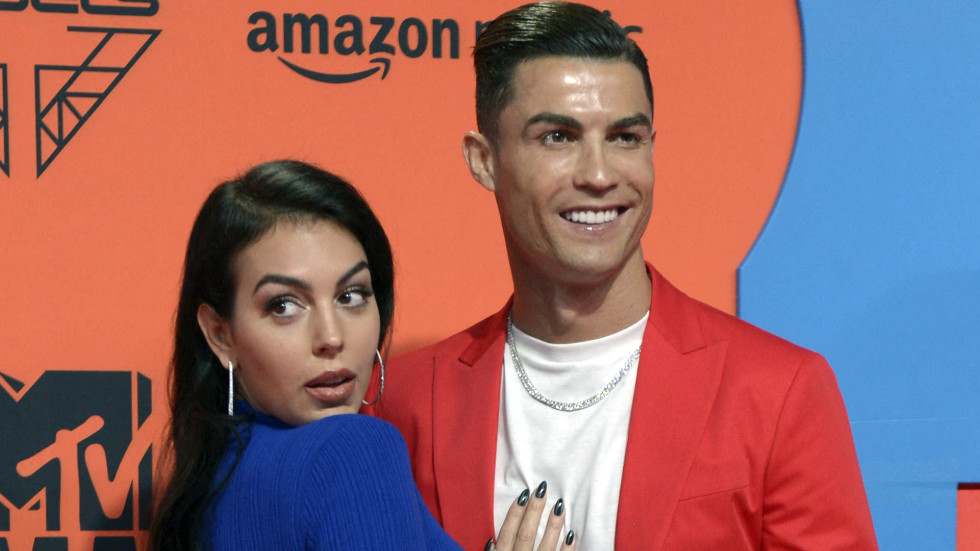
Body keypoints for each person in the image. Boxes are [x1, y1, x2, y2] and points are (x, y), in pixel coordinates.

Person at [366, 2, 879, 550]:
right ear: (484, 159)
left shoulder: (777, 392)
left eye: (624, 137)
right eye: (558, 137)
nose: (599, 174)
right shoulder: (400, 402)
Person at [149, 160, 575, 551]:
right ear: (220, 334)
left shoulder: (208, 485)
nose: (331, 337)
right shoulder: (352, 452)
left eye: (351, 296)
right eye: (284, 306)